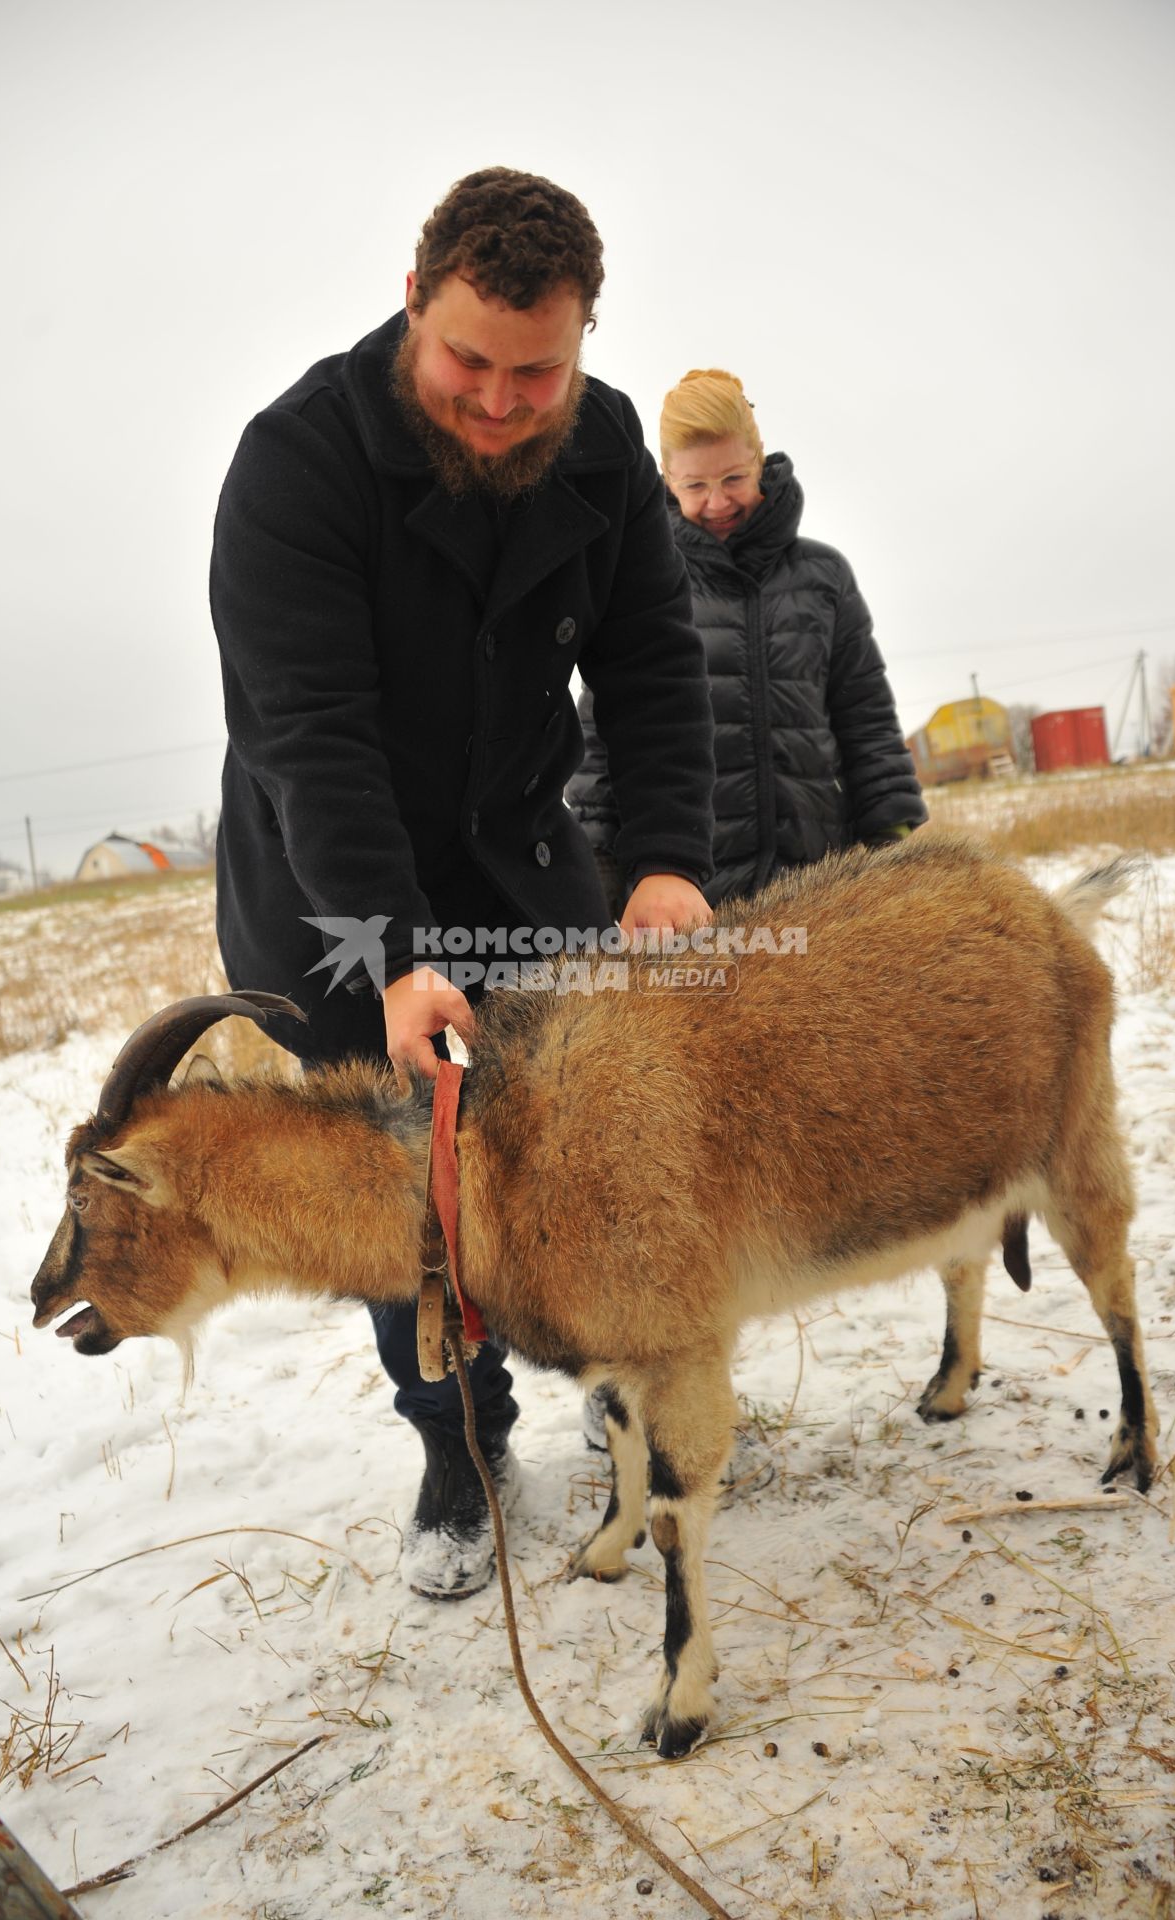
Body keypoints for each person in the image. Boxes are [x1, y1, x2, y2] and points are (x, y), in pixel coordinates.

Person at [209, 170, 715, 1600]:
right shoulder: (293, 465)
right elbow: (313, 739)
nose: (499, 402)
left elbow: (653, 669)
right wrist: (392, 961)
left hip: (513, 853)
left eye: (535, 373)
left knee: (562, 1140)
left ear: (584, 343)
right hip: (335, 893)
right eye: (468, 364)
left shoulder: (604, 447)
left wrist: (668, 859)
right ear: (414, 297)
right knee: (405, 1189)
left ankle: (619, 1384)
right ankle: (457, 1439)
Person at [568, 368, 925, 909]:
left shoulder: (824, 578)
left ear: (759, 459)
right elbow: (603, 743)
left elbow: (866, 720)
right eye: (695, 486)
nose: (717, 503)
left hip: (819, 890)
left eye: (734, 478)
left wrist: (893, 845)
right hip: (692, 900)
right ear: (666, 479)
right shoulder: (640, 585)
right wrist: (601, 873)